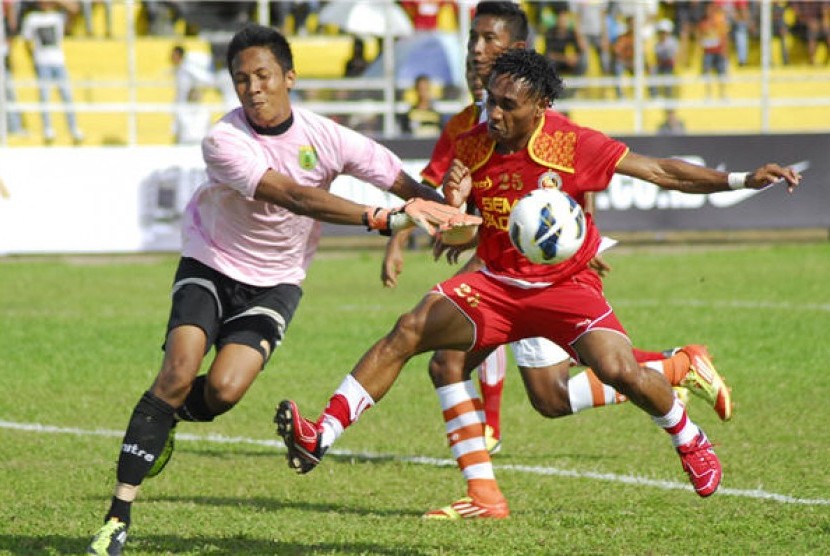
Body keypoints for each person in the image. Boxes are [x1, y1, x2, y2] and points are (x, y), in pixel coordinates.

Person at [276, 47, 801, 519]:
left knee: (617, 370)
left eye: (507, 104)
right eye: (489, 101)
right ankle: (321, 435)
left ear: (541, 105)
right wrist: (454, 204)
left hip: (565, 287)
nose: (494, 114)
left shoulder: (573, 144)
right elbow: (459, 239)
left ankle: (689, 437)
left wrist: (741, 180)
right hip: (496, 285)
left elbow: (661, 172)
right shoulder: (473, 143)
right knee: (409, 330)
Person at [84, 23, 479, 555]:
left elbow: (401, 182)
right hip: (212, 262)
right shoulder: (224, 140)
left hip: (276, 283)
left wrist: (448, 210)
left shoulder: (328, 136)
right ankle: (117, 516)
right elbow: (292, 196)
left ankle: (167, 416)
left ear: (289, 77)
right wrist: (384, 220)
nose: (254, 88)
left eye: (264, 75)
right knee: (178, 369)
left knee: (223, 391)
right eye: (242, 79)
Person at [383, 0, 731, 459]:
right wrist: (408, 235)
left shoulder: (541, 117)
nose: (476, 49)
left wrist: (578, 240)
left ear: (517, 52)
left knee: (456, 361)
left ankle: (484, 465)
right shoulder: (468, 123)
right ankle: (672, 368)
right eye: (472, 39)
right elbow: (438, 192)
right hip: (500, 256)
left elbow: (570, 174)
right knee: (548, 395)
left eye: (489, 40)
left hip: (533, 264)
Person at [20, 0, 84, 144]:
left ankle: (73, 128)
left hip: (58, 62)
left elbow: (75, 9)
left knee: (66, 95)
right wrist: (34, 59)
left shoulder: (58, 16)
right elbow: (27, 41)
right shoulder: (32, 18)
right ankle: (47, 128)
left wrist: (57, 2)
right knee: (44, 96)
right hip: (42, 63)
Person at [698, 1, 730, 99]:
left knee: (721, 73)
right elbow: (701, 37)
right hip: (708, 52)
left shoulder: (720, 20)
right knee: (707, 73)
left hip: (719, 51)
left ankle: (723, 94)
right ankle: (708, 94)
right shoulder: (703, 22)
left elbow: (724, 36)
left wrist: (725, 50)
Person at [400, 73, 443, 138]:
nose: (424, 93)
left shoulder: (436, 115)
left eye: (426, 89)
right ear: (416, 90)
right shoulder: (409, 115)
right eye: (421, 89)